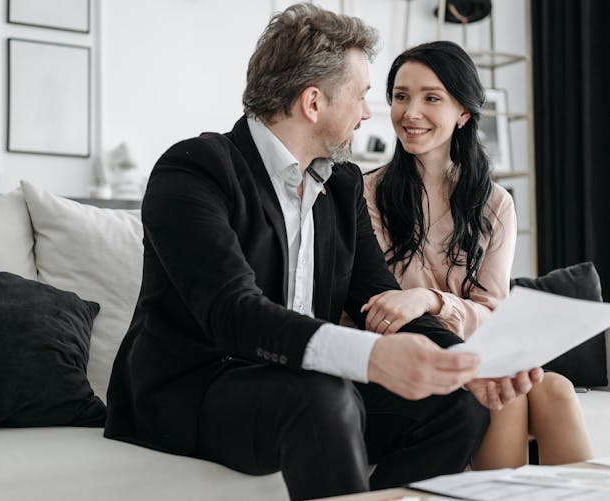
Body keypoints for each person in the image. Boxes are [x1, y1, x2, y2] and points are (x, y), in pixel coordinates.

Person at [104, 5, 542, 499]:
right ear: (313, 102)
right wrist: (372, 357)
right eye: (360, 96)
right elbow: (232, 312)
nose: (367, 113)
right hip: (194, 390)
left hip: (299, 384)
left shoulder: (340, 185)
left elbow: (377, 297)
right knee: (321, 395)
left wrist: (467, 365)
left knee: (456, 407)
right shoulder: (194, 170)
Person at [359, 40, 591, 469]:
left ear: (463, 112)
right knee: (507, 395)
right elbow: (379, 307)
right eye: (400, 96)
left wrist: (431, 299)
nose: (410, 113)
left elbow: (492, 310)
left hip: (480, 352)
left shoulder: (494, 203)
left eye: (431, 98)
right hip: (412, 359)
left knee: (554, 390)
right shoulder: (365, 194)